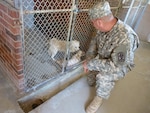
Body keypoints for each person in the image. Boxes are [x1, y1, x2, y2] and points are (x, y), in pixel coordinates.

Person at [83, 1, 139, 113]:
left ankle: (99, 98)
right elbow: (93, 45)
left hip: (119, 65)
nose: (93, 25)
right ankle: (97, 76)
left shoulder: (125, 37)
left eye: (93, 23)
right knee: (90, 80)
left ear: (99, 22)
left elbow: (117, 66)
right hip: (105, 59)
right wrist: (89, 60)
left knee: (103, 77)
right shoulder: (102, 28)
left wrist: (91, 64)